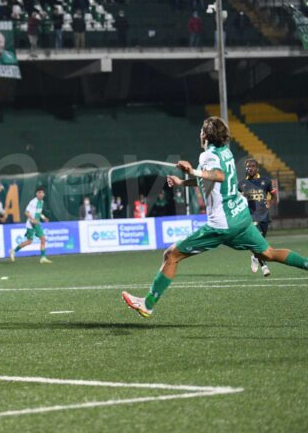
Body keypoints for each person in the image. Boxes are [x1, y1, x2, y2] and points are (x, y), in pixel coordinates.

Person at [122, 117, 308, 318]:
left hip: (222, 224)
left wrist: (192, 170)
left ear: (205, 135)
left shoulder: (207, 155)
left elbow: (217, 175)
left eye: (201, 130)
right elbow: (211, 180)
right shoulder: (225, 152)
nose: (200, 134)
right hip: (241, 216)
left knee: (171, 255)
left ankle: (147, 304)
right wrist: (182, 182)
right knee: (268, 254)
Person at [239, 159, 277, 277]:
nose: (250, 168)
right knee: (257, 240)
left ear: (257, 168)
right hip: (251, 216)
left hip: (264, 216)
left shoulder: (266, 181)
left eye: (252, 166)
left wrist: (269, 202)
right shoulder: (242, 184)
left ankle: (255, 256)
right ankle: (264, 266)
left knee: (262, 242)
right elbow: (237, 197)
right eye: (247, 166)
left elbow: (273, 194)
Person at [10, 186, 52, 264]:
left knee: (40, 240)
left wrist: (44, 217)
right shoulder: (33, 202)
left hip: (36, 223)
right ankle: (13, 251)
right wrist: (32, 219)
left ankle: (42, 258)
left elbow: (39, 212)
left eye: (42, 193)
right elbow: (26, 212)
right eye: (39, 192)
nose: (41, 194)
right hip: (31, 223)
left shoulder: (41, 202)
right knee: (32, 241)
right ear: (36, 194)